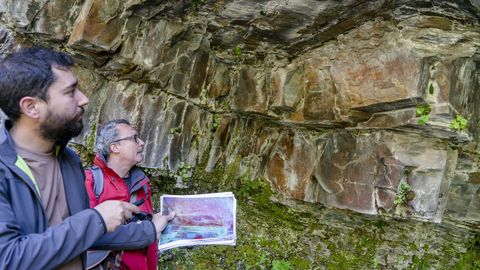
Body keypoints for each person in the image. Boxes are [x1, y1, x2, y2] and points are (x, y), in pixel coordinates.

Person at [0, 47, 175, 269]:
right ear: (31, 106)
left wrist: (149, 230)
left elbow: (83, 235)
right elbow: (8, 259)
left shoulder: (68, 160)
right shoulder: (4, 169)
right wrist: (97, 218)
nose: (84, 99)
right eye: (70, 92)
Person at [85, 119, 157, 270]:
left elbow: (151, 247)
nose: (142, 143)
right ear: (114, 147)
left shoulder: (142, 185)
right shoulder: (91, 181)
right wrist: (151, 229)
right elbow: (87, 233)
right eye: (134, 138)